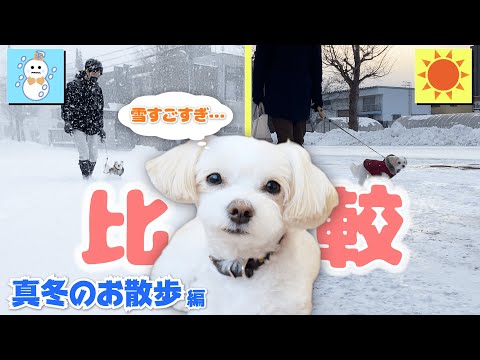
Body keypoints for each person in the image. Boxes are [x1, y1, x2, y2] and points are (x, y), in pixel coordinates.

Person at [252, 45, 326, 146]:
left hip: (298, 97)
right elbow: (260, 66)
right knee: (287, 141)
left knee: (297, 142)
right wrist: (258, 94)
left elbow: (316, 69)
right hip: (280, 96)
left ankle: (290, 160)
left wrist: (317, 99)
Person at [61, 58, 106, 179]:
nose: (96, 74)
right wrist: (67, 121)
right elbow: (66, 105)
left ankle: (89, 175)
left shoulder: (97, 89)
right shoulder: (73, 86)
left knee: (94, 154)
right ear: (86, 70)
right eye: (93, 71)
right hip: (77, 123)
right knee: (84, 152)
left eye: (98, 72)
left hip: (93, 125)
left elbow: (99, 110)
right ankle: (85, 177)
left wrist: (101, 128)